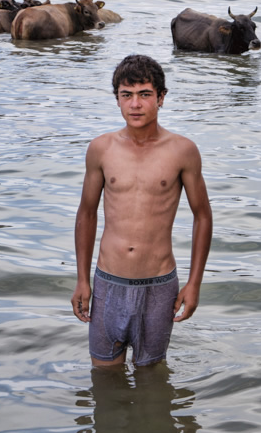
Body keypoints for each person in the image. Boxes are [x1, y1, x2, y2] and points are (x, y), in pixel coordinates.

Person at [71, 54, 213, 367]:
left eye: (145, 94)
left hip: (159, 285)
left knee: (152, 378)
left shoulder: (182, 150)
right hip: (109, 281)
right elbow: (87, 214)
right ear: (117, 99)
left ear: (161, 98)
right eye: (127, 95)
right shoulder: (101, 148)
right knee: (105, 379)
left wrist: (194, 283)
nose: (135, 104)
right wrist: (83, 279)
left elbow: (203, 216)